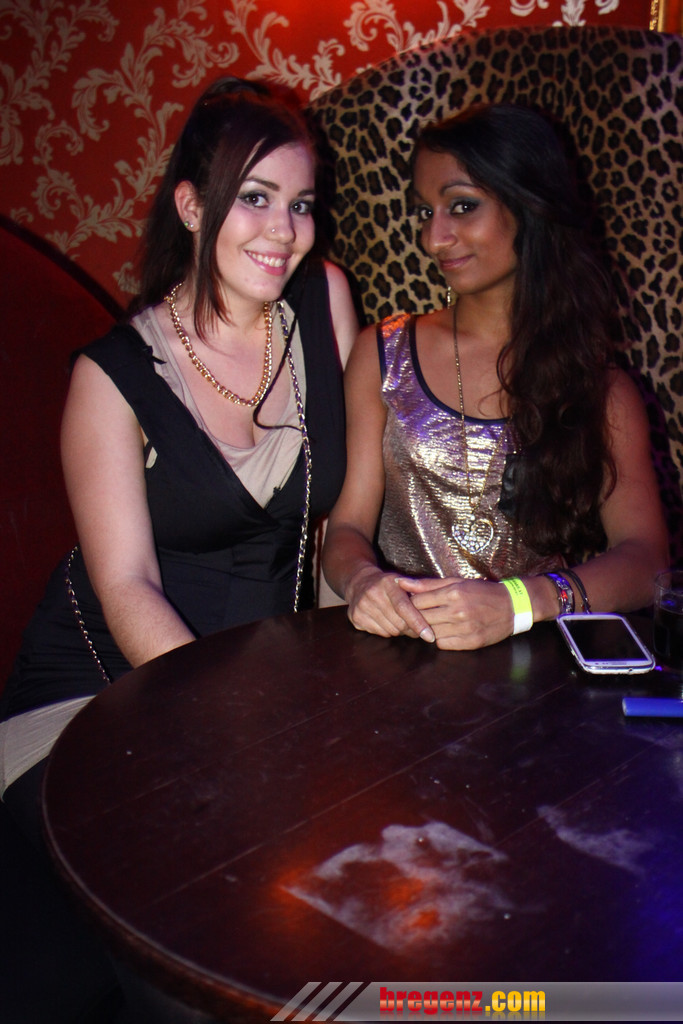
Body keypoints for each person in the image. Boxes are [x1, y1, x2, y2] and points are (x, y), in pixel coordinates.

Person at [0, 77, 357, 1021]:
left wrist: (351, 658)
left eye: (301, 204)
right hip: (97, 691)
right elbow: (125, 587)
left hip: (259, 685)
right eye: (254, 198)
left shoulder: (323, 301)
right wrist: (238, 727)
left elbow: (336, 524)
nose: (283, 231)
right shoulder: (111, 375)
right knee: (191, 955)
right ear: (192, 207)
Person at [323, 103, 669, 650]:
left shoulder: (599, 389)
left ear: (528, 205)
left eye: (462, 206)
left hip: (536, 668)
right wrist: (363, 581)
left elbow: (646, 558)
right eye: (424, 212)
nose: (435, 238)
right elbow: (345, 529)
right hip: (399, 659)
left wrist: (517, 604)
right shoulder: (385, 354)